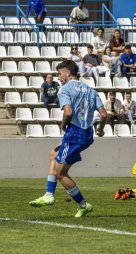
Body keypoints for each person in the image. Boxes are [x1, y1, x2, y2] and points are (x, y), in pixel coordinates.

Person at [29, 60, 107, 218]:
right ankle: (53, 196)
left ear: (68, 73)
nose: (58, 77)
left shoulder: (65, 89)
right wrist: (100, 129)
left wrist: (63, 125)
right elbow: (104, 114)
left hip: (74, 134)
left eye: (59, 74)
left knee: (60, 174)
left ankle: (69, 201)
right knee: (54, 155)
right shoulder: (91, 90)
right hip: (87, 135)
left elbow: (68, 112)